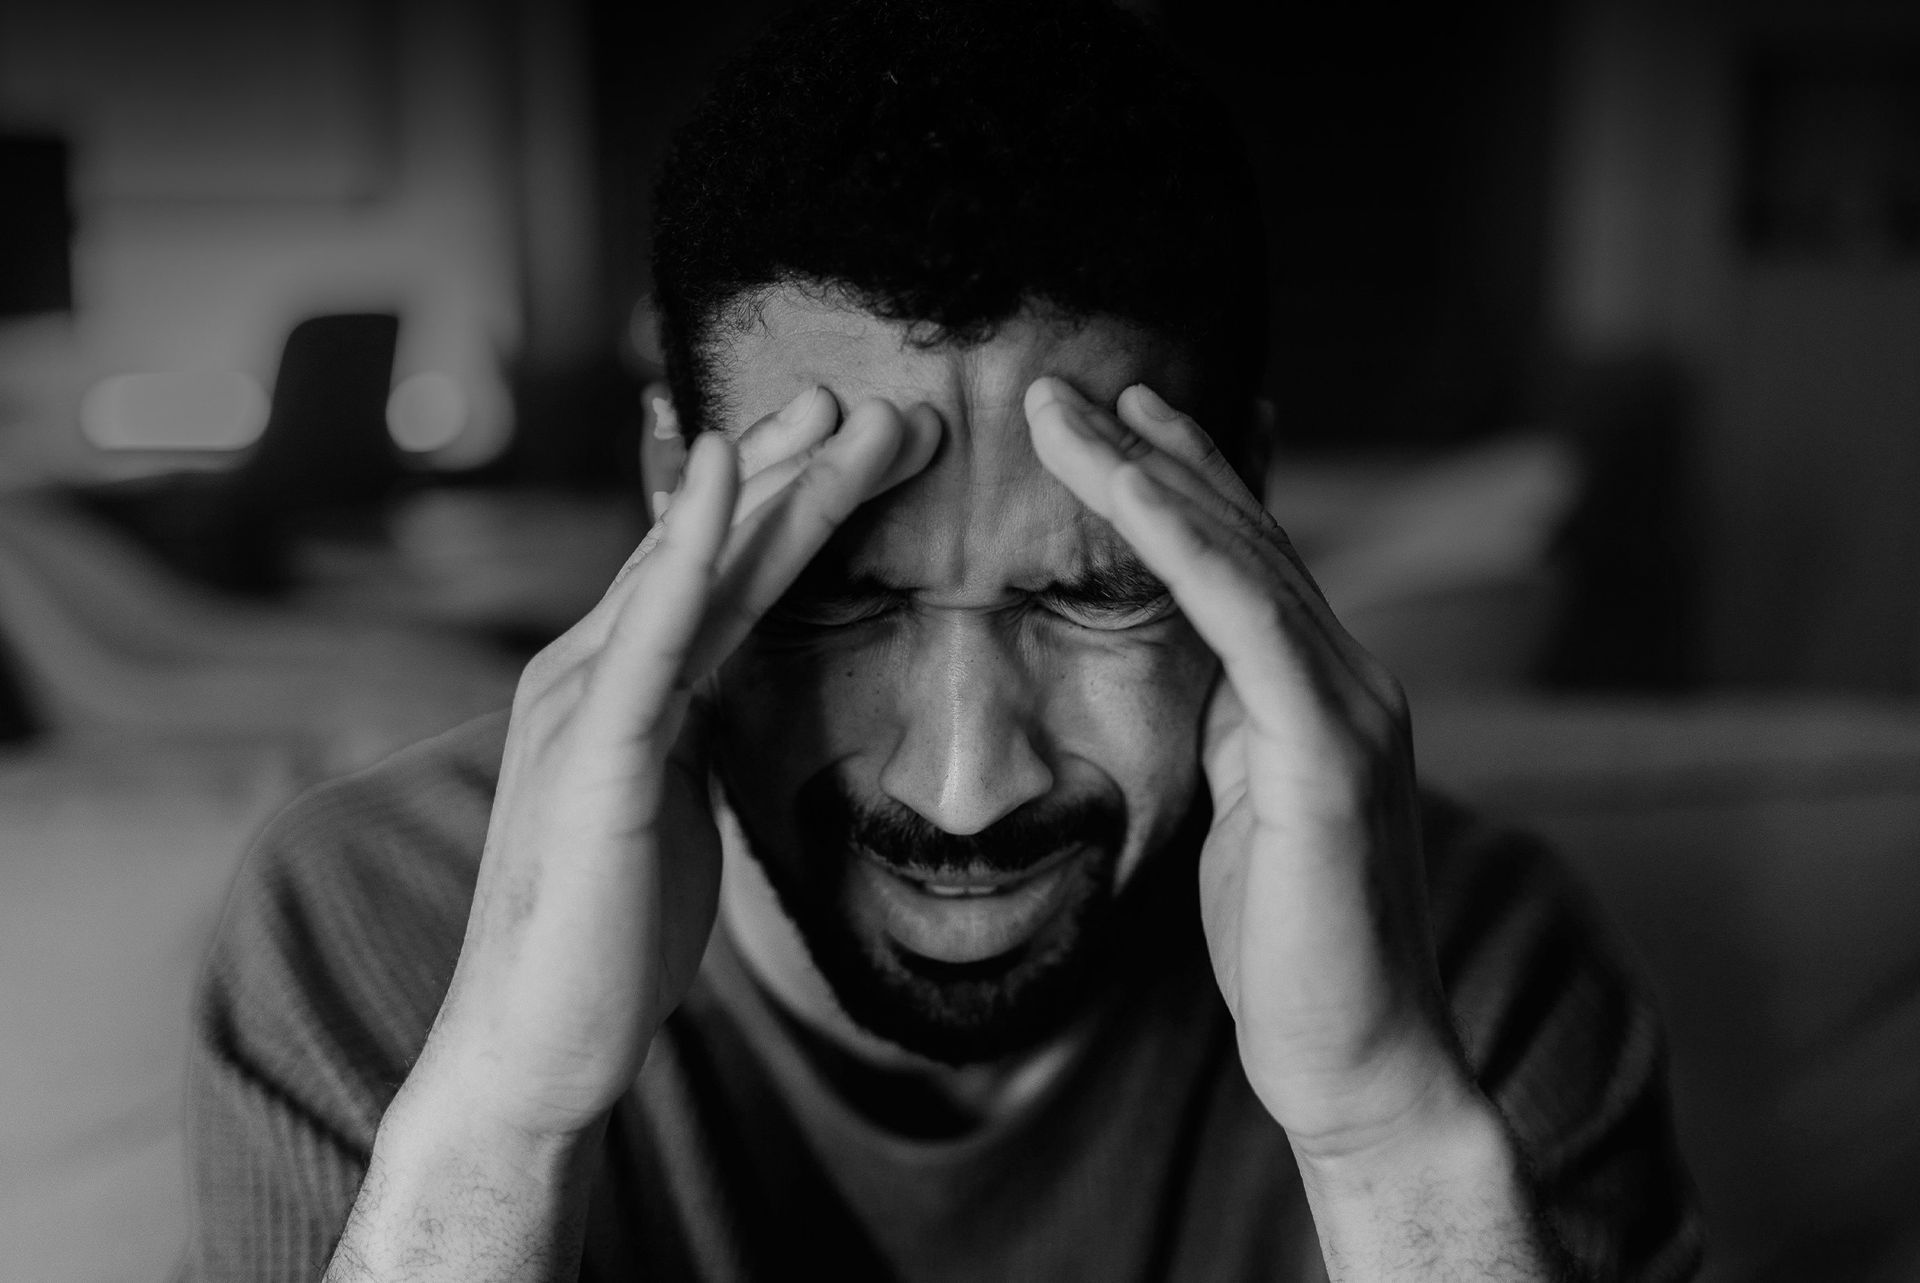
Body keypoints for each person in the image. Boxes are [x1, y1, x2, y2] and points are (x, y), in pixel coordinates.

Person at [186, 1, 1701, 1278]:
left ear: (1239, 506)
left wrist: (1388, 1133)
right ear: (675, 490)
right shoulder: (363, 927)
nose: (967, 783)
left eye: (1091, 594)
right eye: (841, 593)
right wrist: (499, 1125)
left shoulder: (1487, 965)